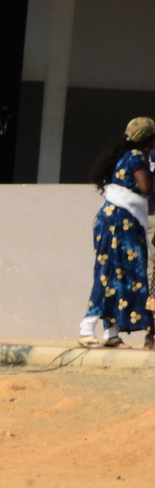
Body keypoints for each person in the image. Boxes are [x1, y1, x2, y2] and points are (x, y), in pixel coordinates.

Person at [80, 117, 155, 347]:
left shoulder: (122, 155)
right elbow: (146, 188)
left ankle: (110, 333)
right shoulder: (137, 157)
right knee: (108, 273)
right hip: (121, 222)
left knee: (117, 276)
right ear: (150, 139)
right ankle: (86, 329)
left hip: (113, 219)